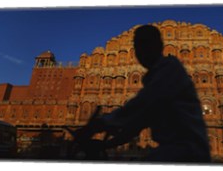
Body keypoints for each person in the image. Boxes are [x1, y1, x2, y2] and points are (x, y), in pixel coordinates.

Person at [76, 25, 211, 163]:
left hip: (187, 151)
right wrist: (105, 145)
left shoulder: (170, 68)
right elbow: (136, 124)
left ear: (159, 46)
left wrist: (101, 123)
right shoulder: (154, 77)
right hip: (176, 150)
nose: (142, 51)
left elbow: (141, 105)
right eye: (138, 46)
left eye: (146, 44)